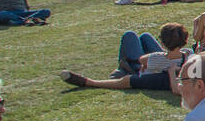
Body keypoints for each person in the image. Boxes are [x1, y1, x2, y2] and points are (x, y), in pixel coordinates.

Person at [60, 22, 191, 92]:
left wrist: (160, 56)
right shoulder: (189, 54)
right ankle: (123, 67)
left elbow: (142, 60)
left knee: (130, 35)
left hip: (144, 68)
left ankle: (122, 67)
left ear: (162, 42)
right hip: (167, 58)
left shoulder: (157, 58)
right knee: (145, 36)